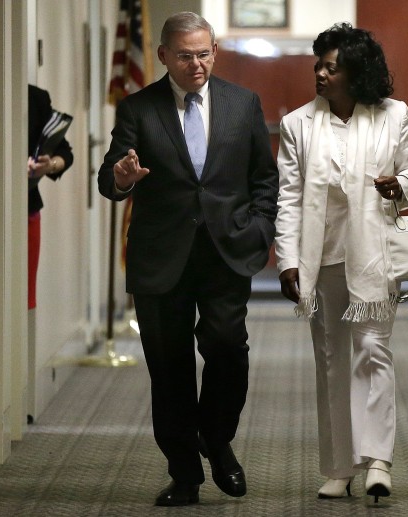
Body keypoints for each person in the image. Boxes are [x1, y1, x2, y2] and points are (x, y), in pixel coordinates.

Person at [97, 12, 278, 507]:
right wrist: (123, 178)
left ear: (214, 51)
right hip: (161, 257)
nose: (197, 64)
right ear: (162, 56)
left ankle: (216, 440)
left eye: (204, 53)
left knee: (227, 349)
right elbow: (108, 179)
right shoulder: (138, 107)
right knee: (169, 367)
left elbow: (264, 178)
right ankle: (184, 474)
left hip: (226, 252)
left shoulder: (243, 104)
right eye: (185, 55)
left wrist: (260, 229)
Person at [274, 23, 408, 502]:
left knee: (373, 353)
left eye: (330, 67)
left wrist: (399, 185)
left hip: (374, 256)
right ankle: (339, 466)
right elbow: (290, 198)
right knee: (332, 363)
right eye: (317, 65)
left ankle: (378, 460)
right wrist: (287, 260)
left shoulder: (392, 115)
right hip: (322, 260)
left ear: (356, 73)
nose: (320, 73)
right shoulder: (298, 124)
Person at [28, 84, 74, 310]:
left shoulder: (35, 98)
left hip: (26, 207)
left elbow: (64, 152)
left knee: (25, 297)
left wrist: (50, 165)